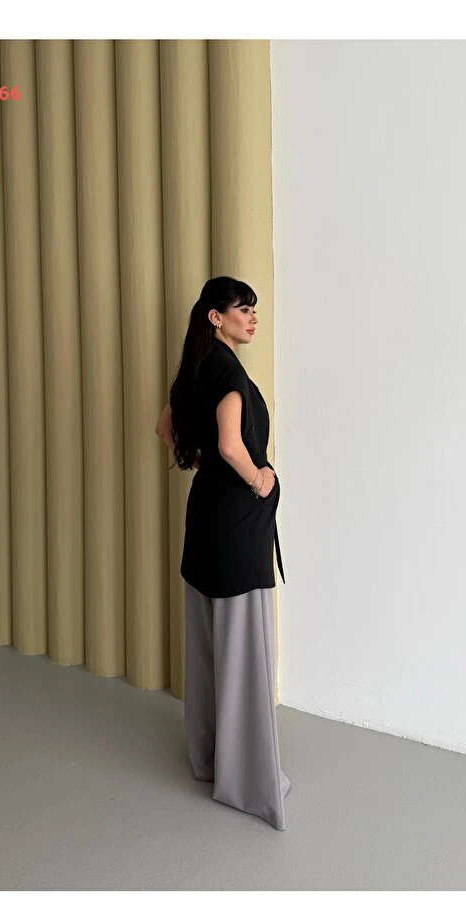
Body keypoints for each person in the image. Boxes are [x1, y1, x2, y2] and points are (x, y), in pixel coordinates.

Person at [157, 275, 290, 831]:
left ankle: (209, 759)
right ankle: (246, 779)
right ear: (216, 317)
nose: (252, 318)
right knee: (241, 646)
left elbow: (165, 428)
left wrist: (202, 462)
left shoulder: (194, 369)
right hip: (235, 524)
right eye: (243, 309)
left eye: (254, 310)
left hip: (205, 516)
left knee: (209, 642)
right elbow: (232, 444)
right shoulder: (230, 375)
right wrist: (260, 479)